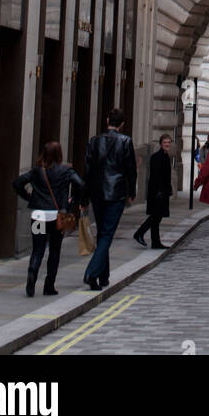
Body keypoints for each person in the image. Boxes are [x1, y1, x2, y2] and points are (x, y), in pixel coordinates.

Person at [13, 141, 86, 297]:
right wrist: (72, 201)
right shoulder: (66, 171)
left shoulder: (37, 171)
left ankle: (32, 273)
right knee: (54, 250)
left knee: (37, 249)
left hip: (38, 216)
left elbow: (17, 183)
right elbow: (80, 184)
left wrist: (29, 197)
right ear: (59, 154)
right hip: (57, 218)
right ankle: (49, 285)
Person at [82, 107, 138, 291]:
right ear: (122, 124)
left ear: (107, 121)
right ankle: (92, 272)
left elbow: (87, 170)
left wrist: (85, 194)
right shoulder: (125, 141)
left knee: (102, 232)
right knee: (107, 234)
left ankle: (103, 276)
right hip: (115, 193)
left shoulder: (94, 141)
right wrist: (131, 191)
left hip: (97, 192)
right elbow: (130, 169)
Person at [134, 134, 173, 249]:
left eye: (169, 142)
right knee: (155, 216)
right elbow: (155, 177)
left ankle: (156, 242)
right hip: (157, 193)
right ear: (161, 143)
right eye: (165, 142)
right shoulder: (157, 157)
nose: (167, 144)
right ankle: (139, 233)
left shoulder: (166, 156)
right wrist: (160, 191)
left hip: (162, 192)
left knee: (157, 218)